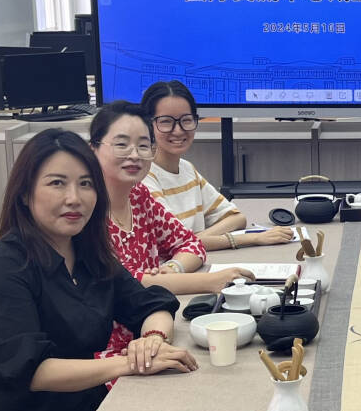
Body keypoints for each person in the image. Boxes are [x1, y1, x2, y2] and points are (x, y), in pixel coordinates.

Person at [0, 129, 197, 411]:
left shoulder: (89, 253)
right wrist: (128, 363)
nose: (74, 198)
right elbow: (34, 371)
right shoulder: (5, 267)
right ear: (25, 193)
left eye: (86, 184)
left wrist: (152, 339)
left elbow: (153, 302)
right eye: (57, 183)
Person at [89, 100, 255, 359]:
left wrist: (173, 268)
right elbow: (130, 283)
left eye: (143, 145)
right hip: (105, 352)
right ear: (93, 149)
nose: (134, 154)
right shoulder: (86, 213)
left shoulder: (138, 196)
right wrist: (210, 281)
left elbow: (191, 244)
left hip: (150, 330)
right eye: (121, 145)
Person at [141, 80, 294, 250]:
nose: (178, 130)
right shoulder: (143, 178)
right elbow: (173, 244)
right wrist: (253, 238)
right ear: (148, 124)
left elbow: (236, 218)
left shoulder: (186, 169)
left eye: (186, 120)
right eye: (166, 121)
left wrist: (195, 240)